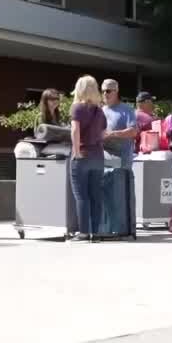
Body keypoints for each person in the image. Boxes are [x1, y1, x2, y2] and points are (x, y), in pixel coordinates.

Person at [69, 75, 107, 241]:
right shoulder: (100, 111)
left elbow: (75, 130)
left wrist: (76, 151)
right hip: (98, 156)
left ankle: (84, 232)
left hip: (82, 155)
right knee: (95, 196)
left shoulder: (77, 107)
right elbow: (104, 132)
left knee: (81, 196)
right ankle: (96, 232)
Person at [101, 78, 138, 169]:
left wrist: (112, 134)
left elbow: (133, 131)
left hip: (121, 163)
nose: (105, 94)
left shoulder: (126, 109)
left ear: (116, 91)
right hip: (103, 161)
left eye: (108, 91)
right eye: (103, 91)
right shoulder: (101, 110)